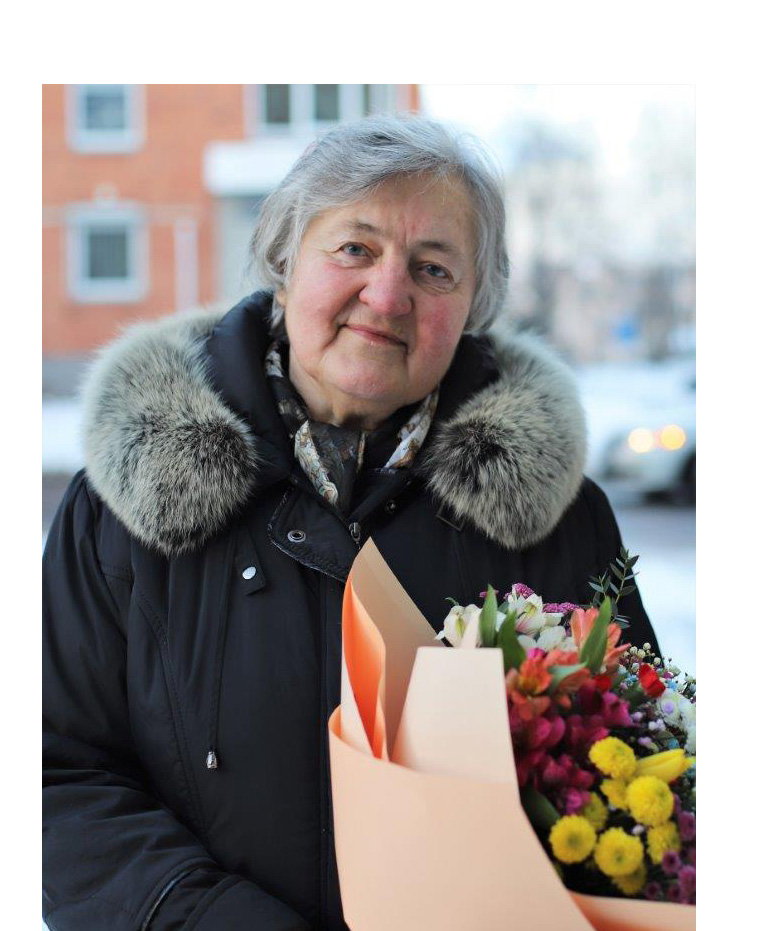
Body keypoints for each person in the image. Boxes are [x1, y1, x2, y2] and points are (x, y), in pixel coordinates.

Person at [43, 115, 658, 931]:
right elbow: (54, 779)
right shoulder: (123, 505)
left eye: (433, 268)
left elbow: (640, 776)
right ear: (284, 262)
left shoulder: (556, 518)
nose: (388, 294)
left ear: (473, 307)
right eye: (354, 248)